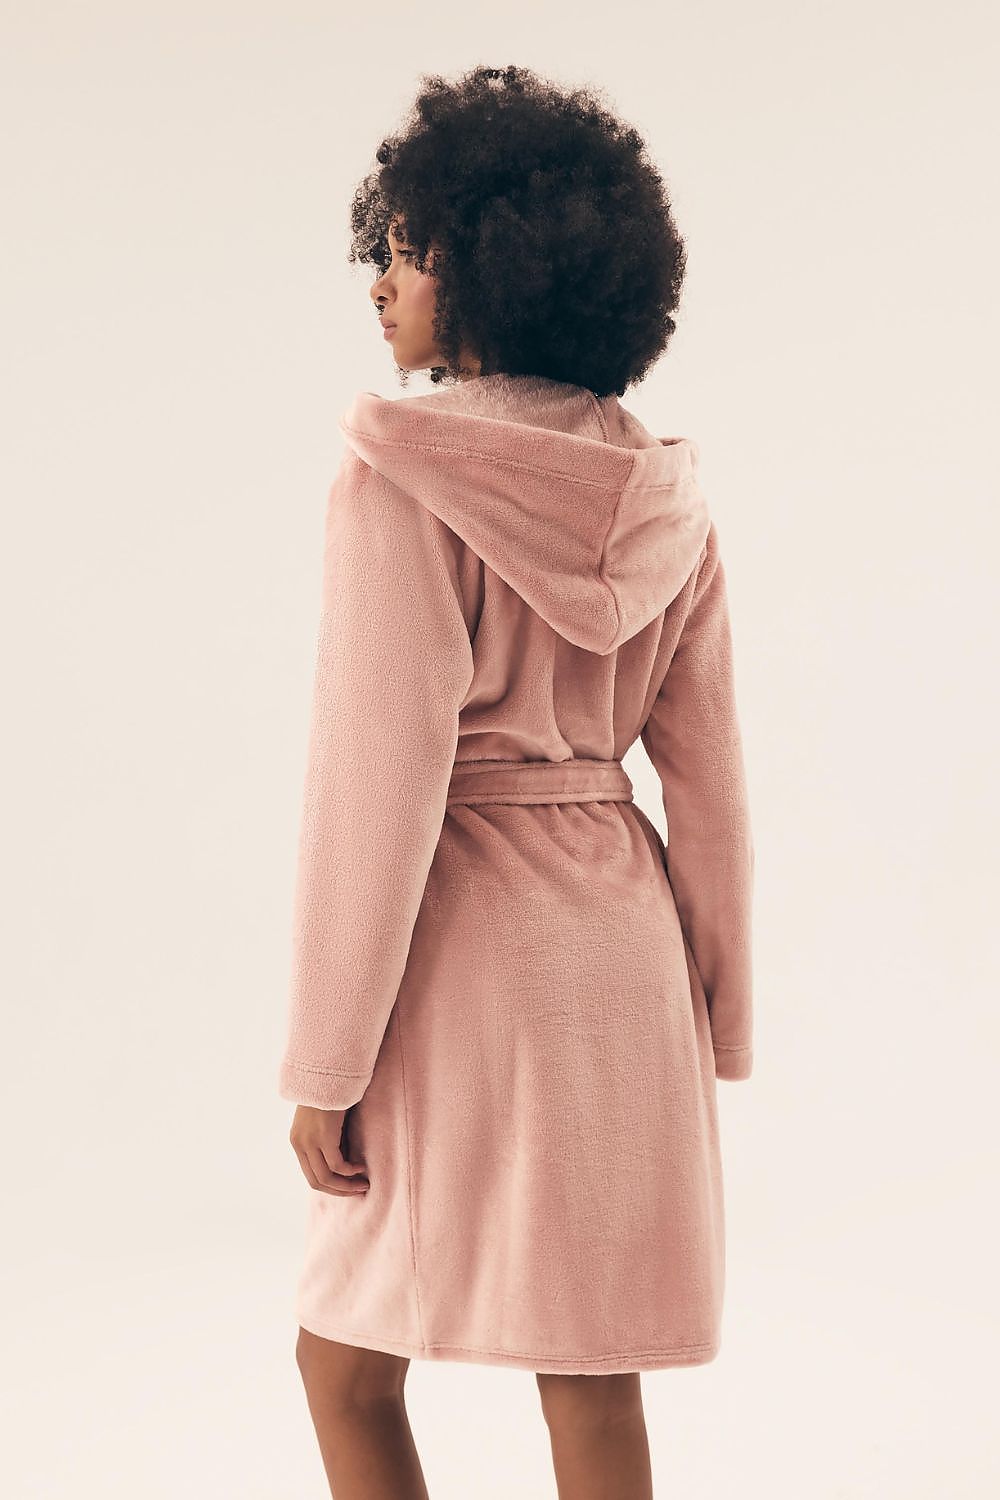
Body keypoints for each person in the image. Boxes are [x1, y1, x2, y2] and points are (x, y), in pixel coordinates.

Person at [278, 63, 754, 1500]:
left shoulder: (401, 482)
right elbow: (711, 791)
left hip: (464, 955)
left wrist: (326, 1065)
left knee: (346, 1362)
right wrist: (717, 1013)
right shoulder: (668, 505)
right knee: (591, 1372)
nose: (381, 283)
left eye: (409, 250)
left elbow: (374, 792)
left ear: (487, 269)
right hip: (622, 956)